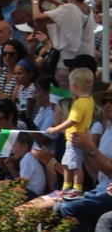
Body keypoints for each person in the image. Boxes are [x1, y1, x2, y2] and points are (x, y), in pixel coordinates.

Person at [46, 66, 95, 198]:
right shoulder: (89, 100)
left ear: (75, 86)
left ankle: (76, 188)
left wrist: (54, 129)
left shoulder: (79, 104)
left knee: (75, 165)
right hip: (73, 138)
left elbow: (71, 121)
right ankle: (67, 186)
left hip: (74, 139)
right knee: (67, 163)